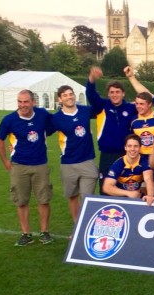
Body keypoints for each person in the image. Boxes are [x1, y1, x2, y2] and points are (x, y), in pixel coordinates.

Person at [0, 89, 54, 246]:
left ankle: (44, 232)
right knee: (21, 201)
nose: (22, 105)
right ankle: (26, 234)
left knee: (43, 199)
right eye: (20, 102)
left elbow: (57, 122)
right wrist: (5, 162)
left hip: (40, 164)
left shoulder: (42, 114)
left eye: (26, 101)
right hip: (19, 166)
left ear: (33, 102)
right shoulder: (9, 120)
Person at [50, 85, 98, 224]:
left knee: (87, 197)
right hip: (68, 163)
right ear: (60, 99)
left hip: (87, 161)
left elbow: (101, 107)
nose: (69, 97)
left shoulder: (85, 111)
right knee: (72, 196)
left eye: (71, 94)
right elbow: (42, 131)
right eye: (65, 95)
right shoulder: (56, 118)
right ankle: (77, 225)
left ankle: (87, 225)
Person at [87, 66, 137, 195]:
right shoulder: (102, 106)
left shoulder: (131, 108)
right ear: (108, 94)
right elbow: (91, 95)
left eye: (117, 92)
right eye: (112, 92)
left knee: (126, 185)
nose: (115, 95)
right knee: (106, 188)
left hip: (126, 154)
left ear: (123, 93)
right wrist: (92, 79)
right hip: (107, 155)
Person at [102, 134, 154, 206]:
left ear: (140, 148)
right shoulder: (118, 164)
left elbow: (148, 179)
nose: (132, 149)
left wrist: (150, 196)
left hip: (137, 197)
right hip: (120, 198)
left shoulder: (144, 162)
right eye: (129, 146)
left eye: (135, 146)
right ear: (125, 148)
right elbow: (106, 187)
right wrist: (128, 193)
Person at [130, 91, 154, 197]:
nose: (138, 106)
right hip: (141, 159)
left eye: (142, 104)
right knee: (140, 191)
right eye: (137, 103)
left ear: (150, 104)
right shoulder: (134, 120)